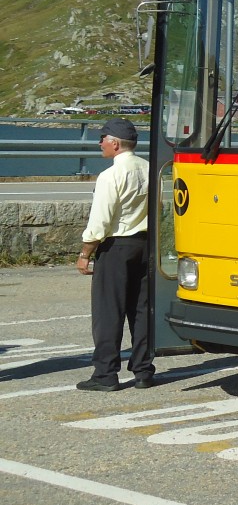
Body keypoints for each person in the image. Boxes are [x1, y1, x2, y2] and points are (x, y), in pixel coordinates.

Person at [76, 117, 154, 391]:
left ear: (116, 144)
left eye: (103, 138)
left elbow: (101, 221)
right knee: (141, 309)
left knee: (109, 311)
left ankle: (105, 374)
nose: (100, 143)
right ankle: (143, 369)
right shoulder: (149, 168)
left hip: (116, 246)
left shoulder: (110, 175)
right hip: (145, 245)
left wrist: (86, 251)